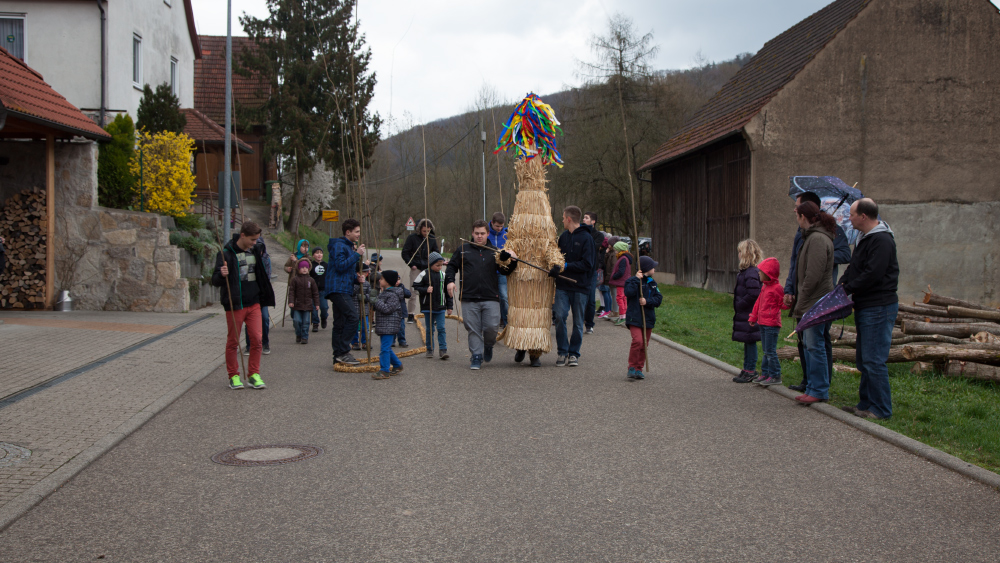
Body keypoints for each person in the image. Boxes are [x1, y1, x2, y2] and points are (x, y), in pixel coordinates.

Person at [784, 191, 851, 392]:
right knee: (805, 342)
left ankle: (821, 384)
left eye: (797, 207)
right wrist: (790, 288)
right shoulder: (803, 233)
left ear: (807, 211)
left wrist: (825, 256)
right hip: (803, 293)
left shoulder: (824, 236)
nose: (794, 210)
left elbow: (841, 255)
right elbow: (795, 263)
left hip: (816, 296)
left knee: (818, 342)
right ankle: (809, 381)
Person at [839, 198, 899, 420]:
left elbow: (873, 274)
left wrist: (850, 288)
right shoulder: (863, 239)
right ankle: (865, 404)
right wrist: (841, 285)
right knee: (864, 359)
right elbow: (855, 269)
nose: (849, 218)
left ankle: (881, 409)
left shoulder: (882, 240)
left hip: (879, 305)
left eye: (852, 214)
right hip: (866, 305)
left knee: (874, 359)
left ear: (863, 216)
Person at [211, 220, 276, 390]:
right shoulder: (225, 254)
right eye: (252, 239)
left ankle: (254, 374)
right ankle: (233, 376)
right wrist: (221, 274)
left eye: (257, 240)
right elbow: (215, 280)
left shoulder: (255, 250)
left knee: (257, 339)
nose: (255, 243)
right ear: (242, 236)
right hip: (235, 304)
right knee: (233, 341)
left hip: (254, 302)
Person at [446, 220, 519, 370]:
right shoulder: (463, 249)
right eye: (477, 233)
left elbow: (506, 271)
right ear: (472, 234)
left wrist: (512, 261)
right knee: (473, 328)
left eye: (482, 233)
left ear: (487, 234)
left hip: (491, 297)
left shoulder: (495, 252)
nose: (479, 236)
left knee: (491, 328)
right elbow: (452, 266)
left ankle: (488, 345)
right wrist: (450, 281)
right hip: (469, 297)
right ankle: (476, 356)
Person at [791, 201, 836, 404]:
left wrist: (802, 300)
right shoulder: (810, 237)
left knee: (814, 345)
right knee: (810, 345)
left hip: (816, 301)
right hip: (811, 300)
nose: (796, 217)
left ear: (803, 217)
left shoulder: (817, 239)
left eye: (797, 214)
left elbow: (813, 275)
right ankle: (812, 387)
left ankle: (818, 389)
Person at [551, 205, 595, 367]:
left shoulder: (586, 238)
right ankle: (562, 351)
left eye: (563, 218)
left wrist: (567, 266)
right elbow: (557, 258)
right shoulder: (563, 237)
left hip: (580, 286)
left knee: (577, 322)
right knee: (560, 317)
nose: (562, 220)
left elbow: (588, 264)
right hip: (562, 285)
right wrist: (554, 268)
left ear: (569, 219)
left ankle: (574, 353)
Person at [325, 218, 365, 366]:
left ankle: (338, 355)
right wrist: (357, 255)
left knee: (340, 323)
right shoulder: (339, 246)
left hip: (344, 287)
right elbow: (340, 266)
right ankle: (343, 350)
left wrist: (356, 279)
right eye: (356, 232)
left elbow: (346, 271)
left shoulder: (348, 247)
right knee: (353, 317)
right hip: (338, 288)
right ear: (348, 232)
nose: (358, 234)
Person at [748, 257, 787, 386]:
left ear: (768, 274)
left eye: (761, 272)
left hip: (772, 324)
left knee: (770, 351)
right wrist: (753, 317)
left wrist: (789, 302)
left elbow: (783, 304)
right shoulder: (764, 287)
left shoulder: (777, 288)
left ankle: (775, 375)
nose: (758, 274)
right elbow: (758, 303)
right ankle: (765, 373)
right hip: (763, 322)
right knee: (765, 350)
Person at [624, 256, 663, 380]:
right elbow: (628, 293)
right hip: (635, 318)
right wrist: (636, 279)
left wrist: (647, 301)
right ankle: (631, 366)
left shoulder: (652, 283)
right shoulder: (631, 281)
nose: (654, 270)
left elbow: (658, 299)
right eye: (652, 267)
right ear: (646, 269)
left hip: (648, 319)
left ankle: (639, 368)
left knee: (644, 344)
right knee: (638, 341)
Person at [731, 240, 763, 383]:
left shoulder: (751, 273)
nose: (737, 254)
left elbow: (754, 294)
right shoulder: (746, 272)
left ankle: (750, 370)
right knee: (747, 340)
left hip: (750, 313)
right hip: (746, 313)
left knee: (750, 340)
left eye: (739, 252)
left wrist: (740, 305)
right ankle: (747, 368)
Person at [413, 251, 452, 359]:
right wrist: (425, 289)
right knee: (430, 329)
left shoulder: (443, 275)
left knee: (441, 328)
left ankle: (443, 350)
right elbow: (414, 287)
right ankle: (430, 349)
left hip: (440, 307)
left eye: (441, 265)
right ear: (430, 264)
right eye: (437, 265)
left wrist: (450, 307)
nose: (440, 267)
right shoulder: (424, 274)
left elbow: (448, 293)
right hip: (428, 307)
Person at [401, 219, 439, 324]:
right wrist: (411, 263)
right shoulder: (412, 238)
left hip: (427, 268)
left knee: (430, 290)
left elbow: (436, 252)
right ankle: (411, 314)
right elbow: (405, 252)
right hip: (416, 267)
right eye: (424, 231)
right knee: (413, 291)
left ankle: (432, 314)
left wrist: (437, 262)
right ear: (419, 229)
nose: (426, 233)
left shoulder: (432, 239)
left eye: (428, 231)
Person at [371, 270, 407, 380]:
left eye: (381, 279)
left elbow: (386, 309)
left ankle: (384, 370)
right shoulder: (384, 293)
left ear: (387, 281)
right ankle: (397, 365)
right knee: (386, 348)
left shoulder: (393, 295)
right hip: (384, 325)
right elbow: (378, 306)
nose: (379, 280)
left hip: (389, 326)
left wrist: (375, 300)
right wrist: (369, 299)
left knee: (384, 349)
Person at [243, 237, 272, 356]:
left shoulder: (266, 259)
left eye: (260, 247)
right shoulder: (248, 258)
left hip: (262, 294)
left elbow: (268, 277)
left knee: (264, 319)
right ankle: (249, 345)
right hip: (251, 294)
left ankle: (265, 342)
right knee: (249, 321)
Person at [581, 212, 605, 334]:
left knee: (590, 299)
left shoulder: (598, 235)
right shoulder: (579, 232)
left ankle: (589, 324)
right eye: (583, 217)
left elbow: (591, 247)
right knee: (579, 298)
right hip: (580, 270)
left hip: (591, 271)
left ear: (593, 221)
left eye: (586, 218)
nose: (583, 219)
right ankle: (579, 322)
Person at [288, 260, 320, 344]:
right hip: (297, 305)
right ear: (298, 269)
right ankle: (298, 334)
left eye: (306, 267)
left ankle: (304, 337)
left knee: (306, 322)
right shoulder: (295, 280)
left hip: (308, 305)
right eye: (302, 267)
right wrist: (291, 301)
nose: (304, 269)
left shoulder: (311, 280)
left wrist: (317, 304)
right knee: (297, 321)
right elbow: (291, 292)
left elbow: (315, 293)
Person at [487, 212, 509, 327]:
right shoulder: (486, 234)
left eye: (501, 226)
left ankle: (506, 323)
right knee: (489, 297)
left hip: (501, 271)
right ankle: (489, 323)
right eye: (497, 226)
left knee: (504, 297)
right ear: (492, 223)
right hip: (488, 271)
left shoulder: (506, 235)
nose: (499, 229)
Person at [608, 240, 633, 326]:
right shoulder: (625, 258)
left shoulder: (623, 258)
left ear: (620, 249)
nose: (615, 251)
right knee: (623, 298)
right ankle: (624, 315)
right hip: (624, 281)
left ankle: (622, 316)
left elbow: (621, 271)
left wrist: (614, 276)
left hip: (621, 282)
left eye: (616, 249)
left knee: (620, 298)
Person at [351, 265, 372, 351]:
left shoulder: (367, 283)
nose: (364, 274)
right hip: (354, 309)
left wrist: (364, 297)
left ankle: (365, 342)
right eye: (362, 272)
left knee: (365, 327)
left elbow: (371, 296)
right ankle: (355, 342)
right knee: (354, 327)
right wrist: (358, 285)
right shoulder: (352, 283)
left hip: (364, 309)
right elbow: (351, 293)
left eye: (365, 273)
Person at [309, 248, 328, 331]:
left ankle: (324, 318)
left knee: (324, 307)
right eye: (317, 253)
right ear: (313, 255)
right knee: (313, 308)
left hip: (323, 290)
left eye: (321, 253)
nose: (319, 254)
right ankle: (315, 323)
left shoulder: (326, 265)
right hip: (313, 291)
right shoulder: (311, 265)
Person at [596, 238, 613, 318]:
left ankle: (607, 309)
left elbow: (603, 263)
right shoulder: (606, 252)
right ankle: (607, 309)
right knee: (605, 292)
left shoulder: (605, 253)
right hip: (604, 274)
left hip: (604, 274)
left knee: (605, 291)